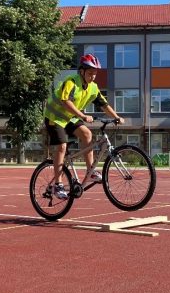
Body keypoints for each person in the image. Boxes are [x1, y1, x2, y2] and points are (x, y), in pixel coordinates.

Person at [43, 54, 125, 199]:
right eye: (90, 73)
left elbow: (103, 104)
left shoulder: (93, 88)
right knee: (62, 146)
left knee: (87, 134)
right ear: (81, 71)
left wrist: (116, 117)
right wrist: (82, 116)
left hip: (70, 118)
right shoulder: (71, 82)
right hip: (54, 117)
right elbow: (65, 101)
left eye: (95, 74)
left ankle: (90, 171)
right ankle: (58, 185)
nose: (93, 76)